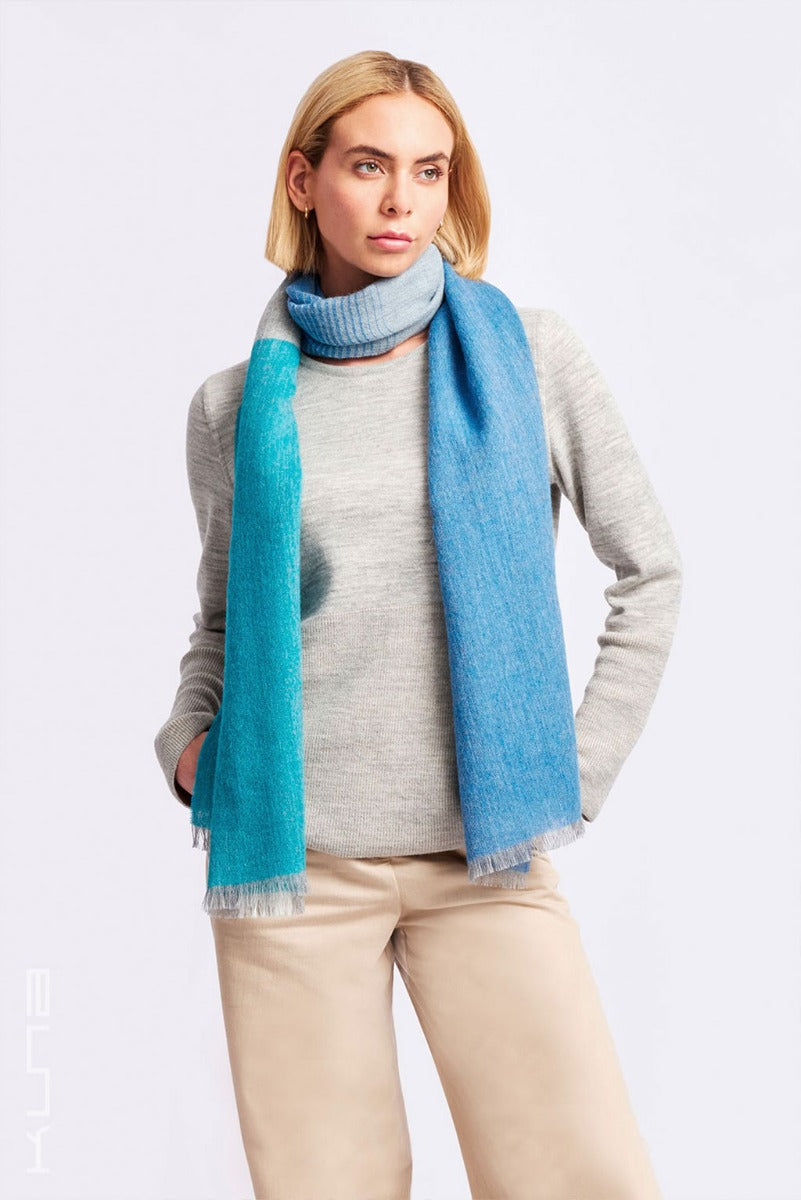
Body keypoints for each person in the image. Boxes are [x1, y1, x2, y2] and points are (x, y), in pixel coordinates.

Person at [154, 49, 681, 1200]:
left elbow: (653, 571)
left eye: (430, 171)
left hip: (486, 857)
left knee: (581, 1179)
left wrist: (574, 771)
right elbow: (224, 622)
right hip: (295, 869)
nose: (401, 200)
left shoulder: (529, 357)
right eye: (368, 166)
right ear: (304, 182)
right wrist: (192, 747)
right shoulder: (234, 408)